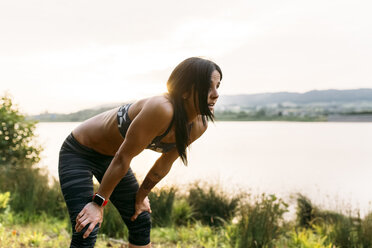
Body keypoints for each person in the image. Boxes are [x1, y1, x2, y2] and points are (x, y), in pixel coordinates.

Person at [58, 57, 222, 248]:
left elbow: (163, 165)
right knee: (86, 227)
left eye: (218, 86)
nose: (216, 94)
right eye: (208, 86)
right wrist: (98, 203)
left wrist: (141, 196)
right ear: (185, 89)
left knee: (140, 219)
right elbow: (123, 157)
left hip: (112, 159)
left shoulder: (198, 125)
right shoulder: (161, 108)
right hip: (79, 152)